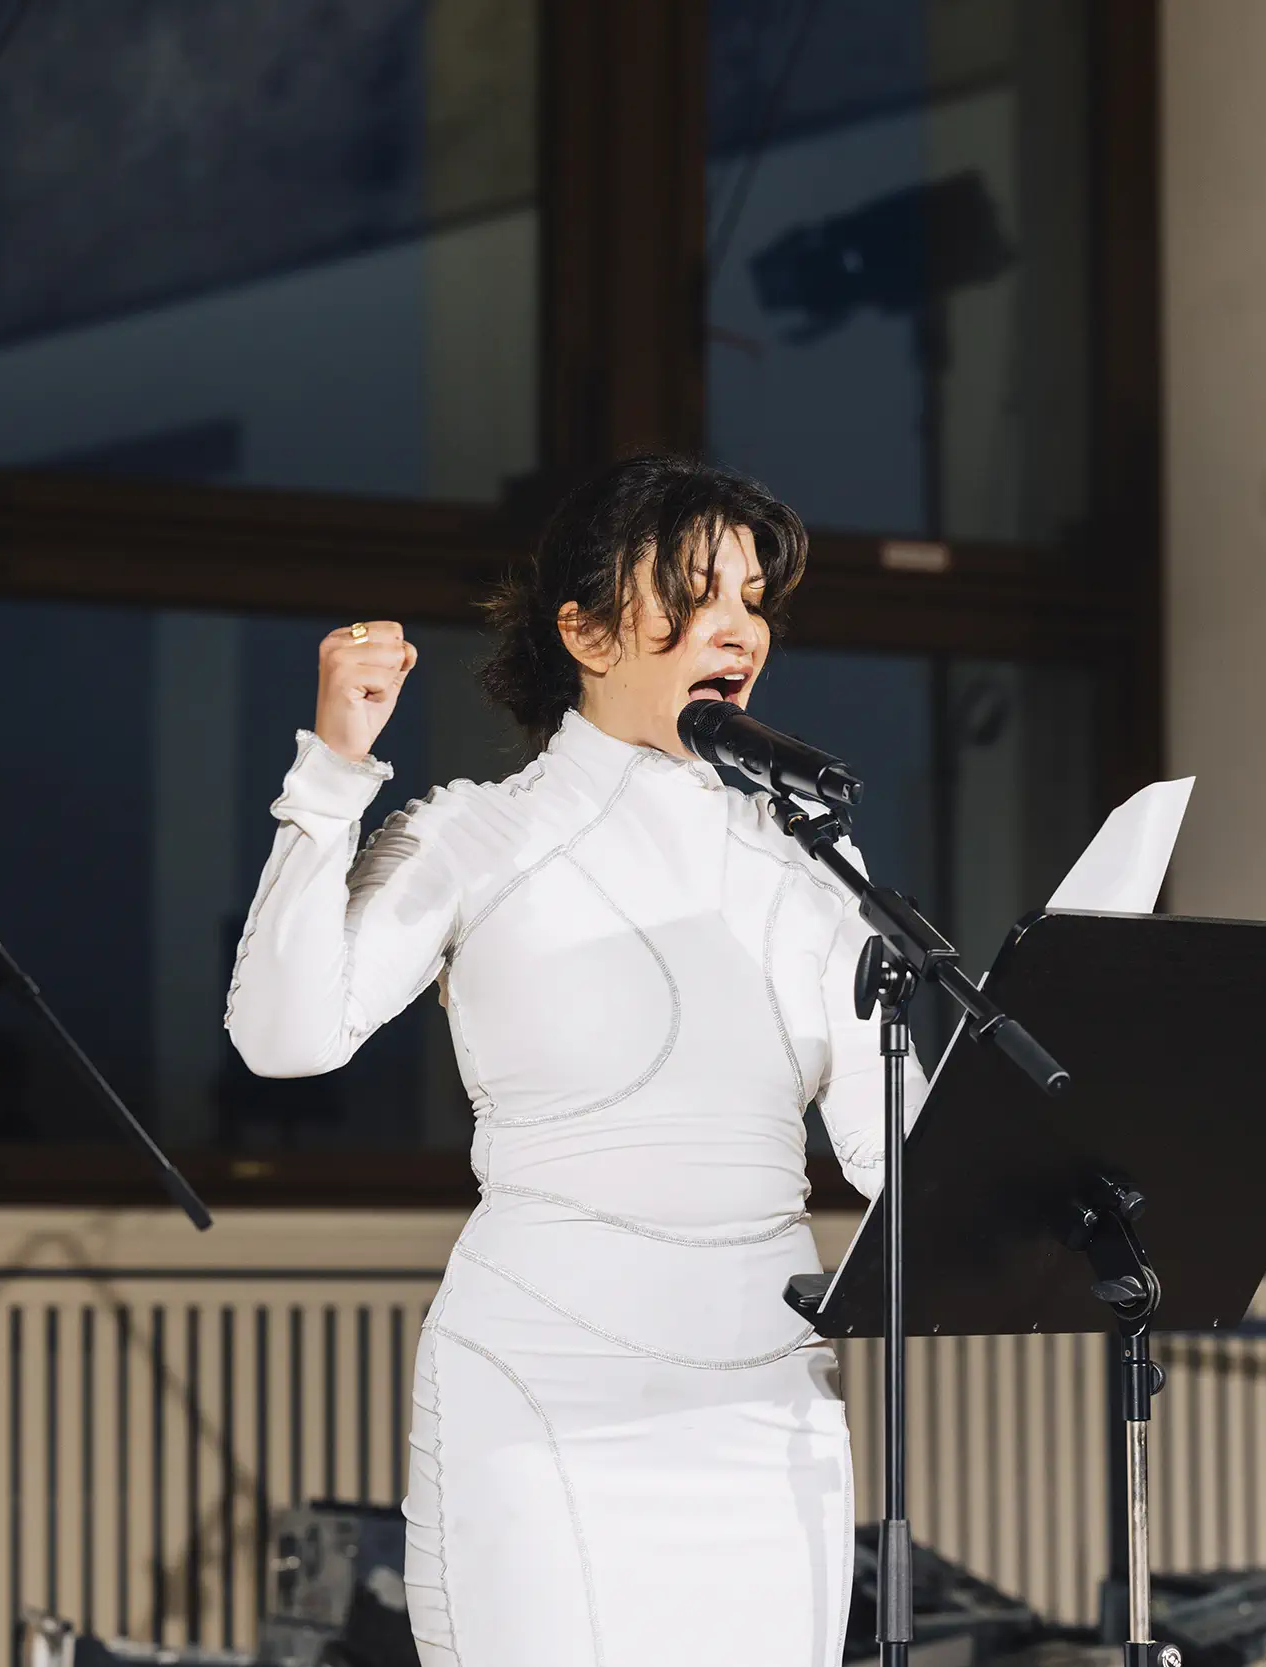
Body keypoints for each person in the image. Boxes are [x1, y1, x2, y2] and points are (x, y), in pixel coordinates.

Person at [225, 454, 917, 1666]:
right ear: (585, 630)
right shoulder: (478, 834)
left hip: (765, 1405)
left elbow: (891, 1151)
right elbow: (285, 1036)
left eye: (753, 600)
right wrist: (331, 775)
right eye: (695, 594)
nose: (736, 628)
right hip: (542, 1389)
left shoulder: (809, 862)